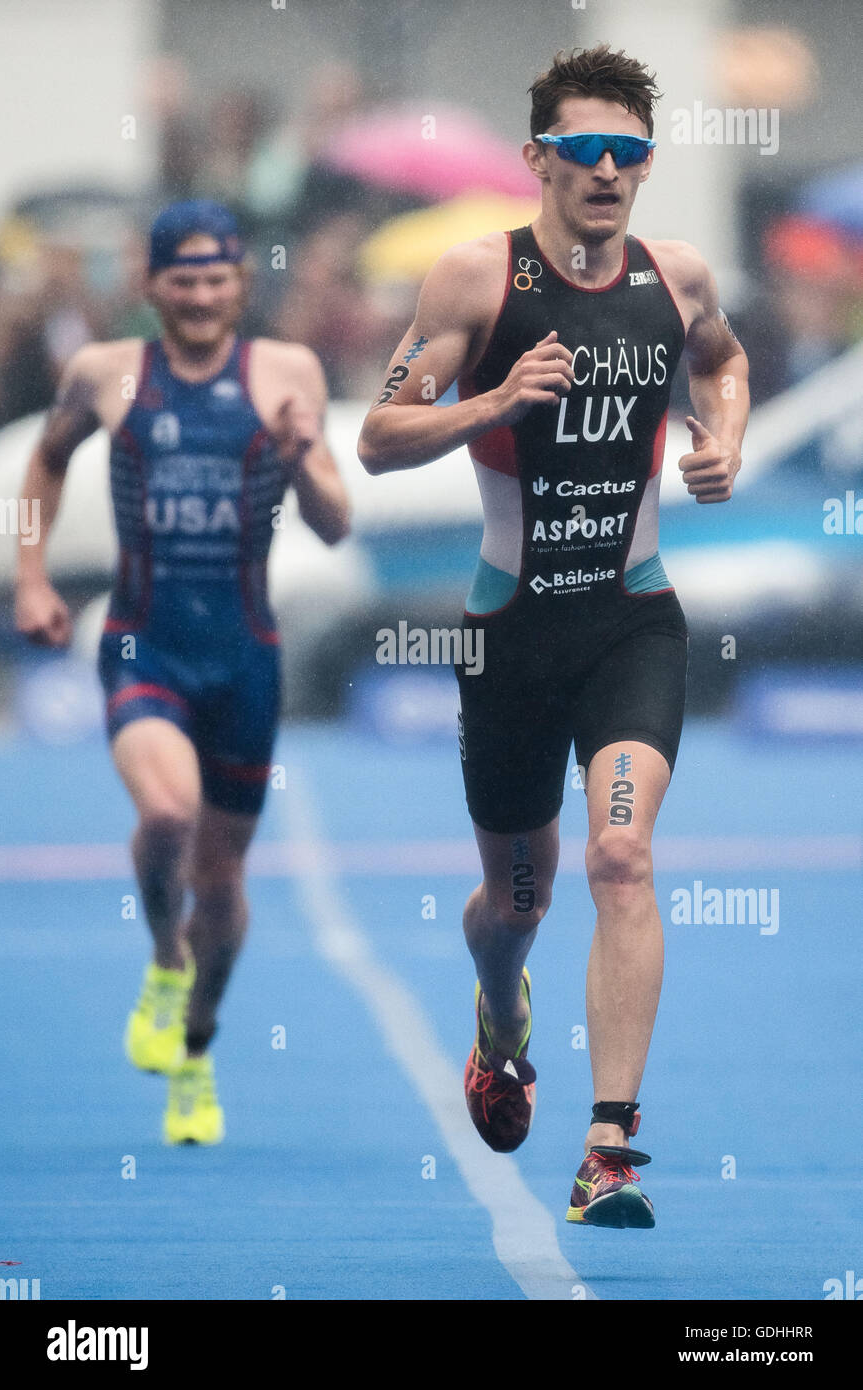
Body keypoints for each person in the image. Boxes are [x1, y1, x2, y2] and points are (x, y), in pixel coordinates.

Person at [358, 45, 748, 1228]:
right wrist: (493, 400)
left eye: (628, 153)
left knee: (619, 858)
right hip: (510, 634)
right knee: (513, 903)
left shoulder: (675, 276)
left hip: (632, 621)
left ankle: (608, 1150)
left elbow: (722, 364)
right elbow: (379, 436)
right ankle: (498, 1010)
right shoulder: (474, 282)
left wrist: (721, 436)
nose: (606, 171)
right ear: (535, 158)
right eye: (583, 149)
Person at [15, 200, 350, 1144]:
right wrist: (31, 575)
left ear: (241, 282)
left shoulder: (287, 372)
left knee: (225, 879)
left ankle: (196, 1049)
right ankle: (166, 961)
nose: (201, 296)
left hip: (245, 656)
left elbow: (334, 523)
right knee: (164, 813)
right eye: (183, 280)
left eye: (218, 279)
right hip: (143, 643)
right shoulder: (105, 373)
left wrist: (302, 461)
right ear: (153, 285)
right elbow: (42, 467)